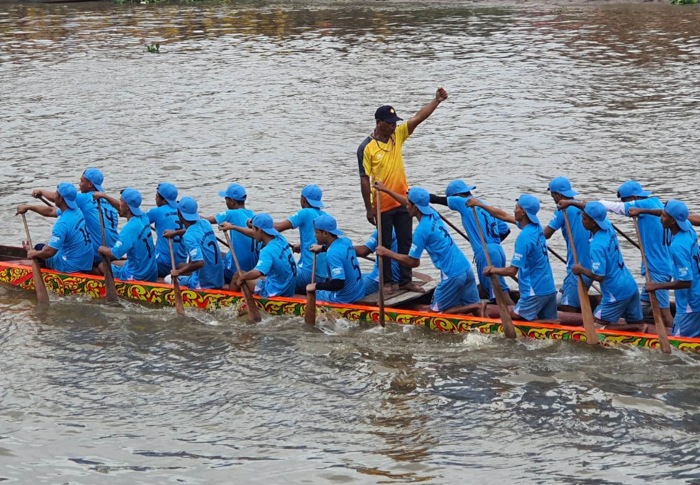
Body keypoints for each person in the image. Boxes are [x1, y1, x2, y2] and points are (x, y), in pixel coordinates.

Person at [358, 87, 449, 293]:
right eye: (389, 124)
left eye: (395, 123)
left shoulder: (397, 136)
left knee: (406, 240)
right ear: (378, 123)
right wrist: (368, 208)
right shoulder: (366, 147)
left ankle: (406, 280)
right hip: (381, 203)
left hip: (402, 200)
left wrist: (436, 101)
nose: (393, 126)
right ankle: (387, 281)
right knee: (386, 243)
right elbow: (364, 180)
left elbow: (418, 118)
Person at [374, 184, 483, 315]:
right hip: (465, 269)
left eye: (408, 204)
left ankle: (476, 307)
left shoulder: (421, 231)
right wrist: (386, 190)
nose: (406, 205)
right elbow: (410, 203)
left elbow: (413, 262)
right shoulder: (433, 214)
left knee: (434, 314)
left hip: (452, 275)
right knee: (479, 317)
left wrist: (387, 252)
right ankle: (484, 317)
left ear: (415, 207)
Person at [596, 180, 673, 327]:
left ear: (633, 198)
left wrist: (589, 204)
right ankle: (639, 325)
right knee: (642, 305)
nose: (624, 203)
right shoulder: (656, 203)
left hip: (657, 269)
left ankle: (678, 340)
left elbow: (616, 208)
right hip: (662, 264)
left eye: (625, 200)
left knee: (665, 313)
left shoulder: (643, 205)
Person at [468, 195, 558, 322]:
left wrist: (492, 270)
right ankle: (549, 322)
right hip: (549, 289)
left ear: (523, 212)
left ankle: (545, 322)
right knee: (549, 325)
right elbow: (503, 215)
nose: (514, 210)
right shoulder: (536, 227)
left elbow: (512, 271)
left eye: (516, 208)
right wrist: (480, 204)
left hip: (534, 291)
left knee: (512, 318)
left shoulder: (524, 237)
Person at [429, 179, 513, 305]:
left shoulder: (463, 202)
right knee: (490, 287)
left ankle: (514, 314)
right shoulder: (483, 204)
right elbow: (505, 230)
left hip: (485, 252)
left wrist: (412, 195)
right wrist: (487, 242)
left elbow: (435, 199)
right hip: (497, 249)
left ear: (456, 195)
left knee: (500, 293)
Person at [630, 201, 700, 338]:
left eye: (663, 216)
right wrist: (642, 211)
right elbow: (671, 214)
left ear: (673, 221)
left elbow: (686, 282)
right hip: (696, 296)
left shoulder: (677, 246)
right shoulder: (689, 230)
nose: (660, 218)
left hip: (690, 303)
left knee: (677, 347)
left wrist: (657, 286)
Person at [569, 202, 643, 328]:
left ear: (594, 223)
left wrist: (580, 269)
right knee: (635, 320)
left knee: (593, 327)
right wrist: (571, 203)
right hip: (630, 285)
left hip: (616, 292)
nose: (582, 221)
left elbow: (599, 276)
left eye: (585, 219)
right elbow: (596, 210)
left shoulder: (597, 246)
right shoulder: (608, 226)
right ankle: (638, 327)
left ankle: (636, 328)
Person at [32, 167, 119, 265]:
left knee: (41, 248)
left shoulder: (85, 198)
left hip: (97, 254)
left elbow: (59, 197)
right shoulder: (109, 201)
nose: (79, 185)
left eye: (81, 181)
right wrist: (30, 207)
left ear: (90, 184)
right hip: (113, 252)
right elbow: (52, 211)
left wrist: (41, 191)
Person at [16, 182, 93, 274]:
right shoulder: (77, 211)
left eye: (56, 193)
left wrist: (33, 253)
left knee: (39, 249)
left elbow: (49, 252)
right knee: (41, 247)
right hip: (86, 262)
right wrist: (28, 207)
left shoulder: (62, 223)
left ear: (60, 198)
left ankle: (42, 268)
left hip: (70, 266)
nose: (54, 196)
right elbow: (49, 211)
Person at [543, 176, 593, 313]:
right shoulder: (582, 206)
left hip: (578, 266)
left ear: (558, 194)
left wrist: (529, 231)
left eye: (552, 195)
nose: (553, 199)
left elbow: (546, 234)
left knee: (568, 308)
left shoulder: (563, 209)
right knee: (564, 295)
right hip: (592, 263)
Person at [273, 185, 328, 292]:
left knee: (272, 271)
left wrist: (256, 223)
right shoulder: (325, 216)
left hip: (308, 275)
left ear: (303, 200)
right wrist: (302, 246)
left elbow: (278, 228)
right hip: (323, 276)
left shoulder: (305, 212)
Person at [95, 188, 158, 282]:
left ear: (127, 206)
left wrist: (101, 249)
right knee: (115, 263)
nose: (119, 204)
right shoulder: (144, 217)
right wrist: (104, 196)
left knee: (101, 266)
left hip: (138, 276)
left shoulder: (130, 228)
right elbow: (122, 208)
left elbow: (114, 253)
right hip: (151, 271)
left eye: (121, 201)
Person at [163, 197, 224, 290]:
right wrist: (175, 233)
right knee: (185, 264)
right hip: (219, 278)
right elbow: (193, 231)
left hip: (204, 283)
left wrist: (178, 272)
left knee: (167, 279)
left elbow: (199, 263)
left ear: (179, 214)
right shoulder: (205, 223)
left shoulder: (188, 236)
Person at [206, 183, 258, 284]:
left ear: (232, 201)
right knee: (219, 254)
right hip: (252, 268)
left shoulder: (232, 213)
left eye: (226, 199)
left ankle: (194, 283)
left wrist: (187, 214)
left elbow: (206, 220)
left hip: (235, 270)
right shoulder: (253, 215)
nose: (225, 202)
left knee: (203, 256)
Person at [234, 213, 296, 298]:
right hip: (288, 286)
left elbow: (257, 273)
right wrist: (234, 226)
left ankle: (227, 300)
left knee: (239, 274)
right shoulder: (280, 238)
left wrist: (242, 278)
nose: (252, 233)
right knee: (260, 276)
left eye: (253, 229)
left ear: (258, 229)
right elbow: (256, 232)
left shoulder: (267, 251)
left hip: (275, 290)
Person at [306, 215, 364, 304]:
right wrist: (322, 248)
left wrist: (316, 286)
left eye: (316, 232)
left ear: (325, 233)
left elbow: (338, 284)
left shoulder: (332, 254)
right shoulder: (346, 241)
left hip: (345, 299)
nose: (315, 235)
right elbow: (340, 252)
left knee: (311, 293)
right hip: (359, 292)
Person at [147, 182, 188, 278]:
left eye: (156, 196)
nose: (155, 198)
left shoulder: (157, 211)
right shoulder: (184, 211)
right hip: (181, 262)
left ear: (164, 200)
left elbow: (136, 221)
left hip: (162, 264)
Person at [353, 229, 402, 297]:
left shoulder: (383, 230)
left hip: (379, 279)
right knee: (358, 275)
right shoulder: (402, 227)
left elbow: (363, 251)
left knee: (348, 291)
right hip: (398, 276)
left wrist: (342, 249)